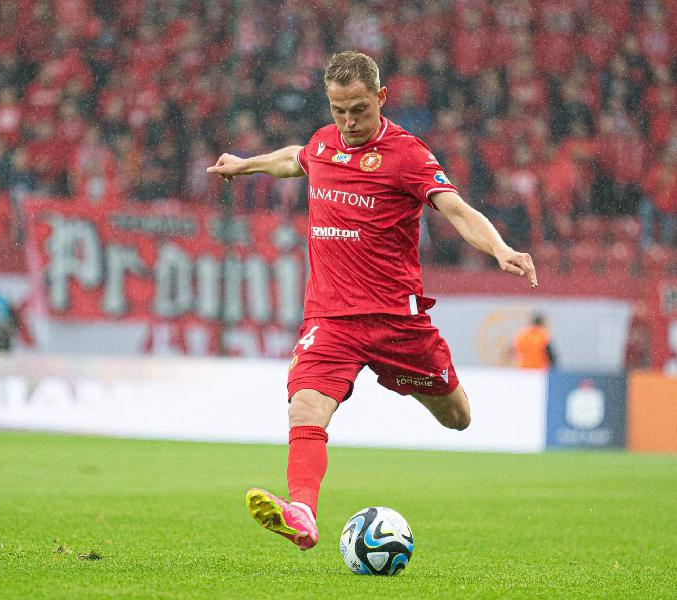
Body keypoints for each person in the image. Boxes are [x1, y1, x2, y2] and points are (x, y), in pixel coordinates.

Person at [207, 51, 538, 551]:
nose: (349, 122)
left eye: (359, 109)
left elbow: (456, 210)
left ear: (381, 97)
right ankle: (302, 512)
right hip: (331, 320)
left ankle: (413, 383)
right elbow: (294, 158)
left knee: (457, 417)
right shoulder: (324, 143)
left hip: (396, 322)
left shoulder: (407, 155)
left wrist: (500, 248)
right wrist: (245, 165)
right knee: (305, 406)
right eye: (338, 110)